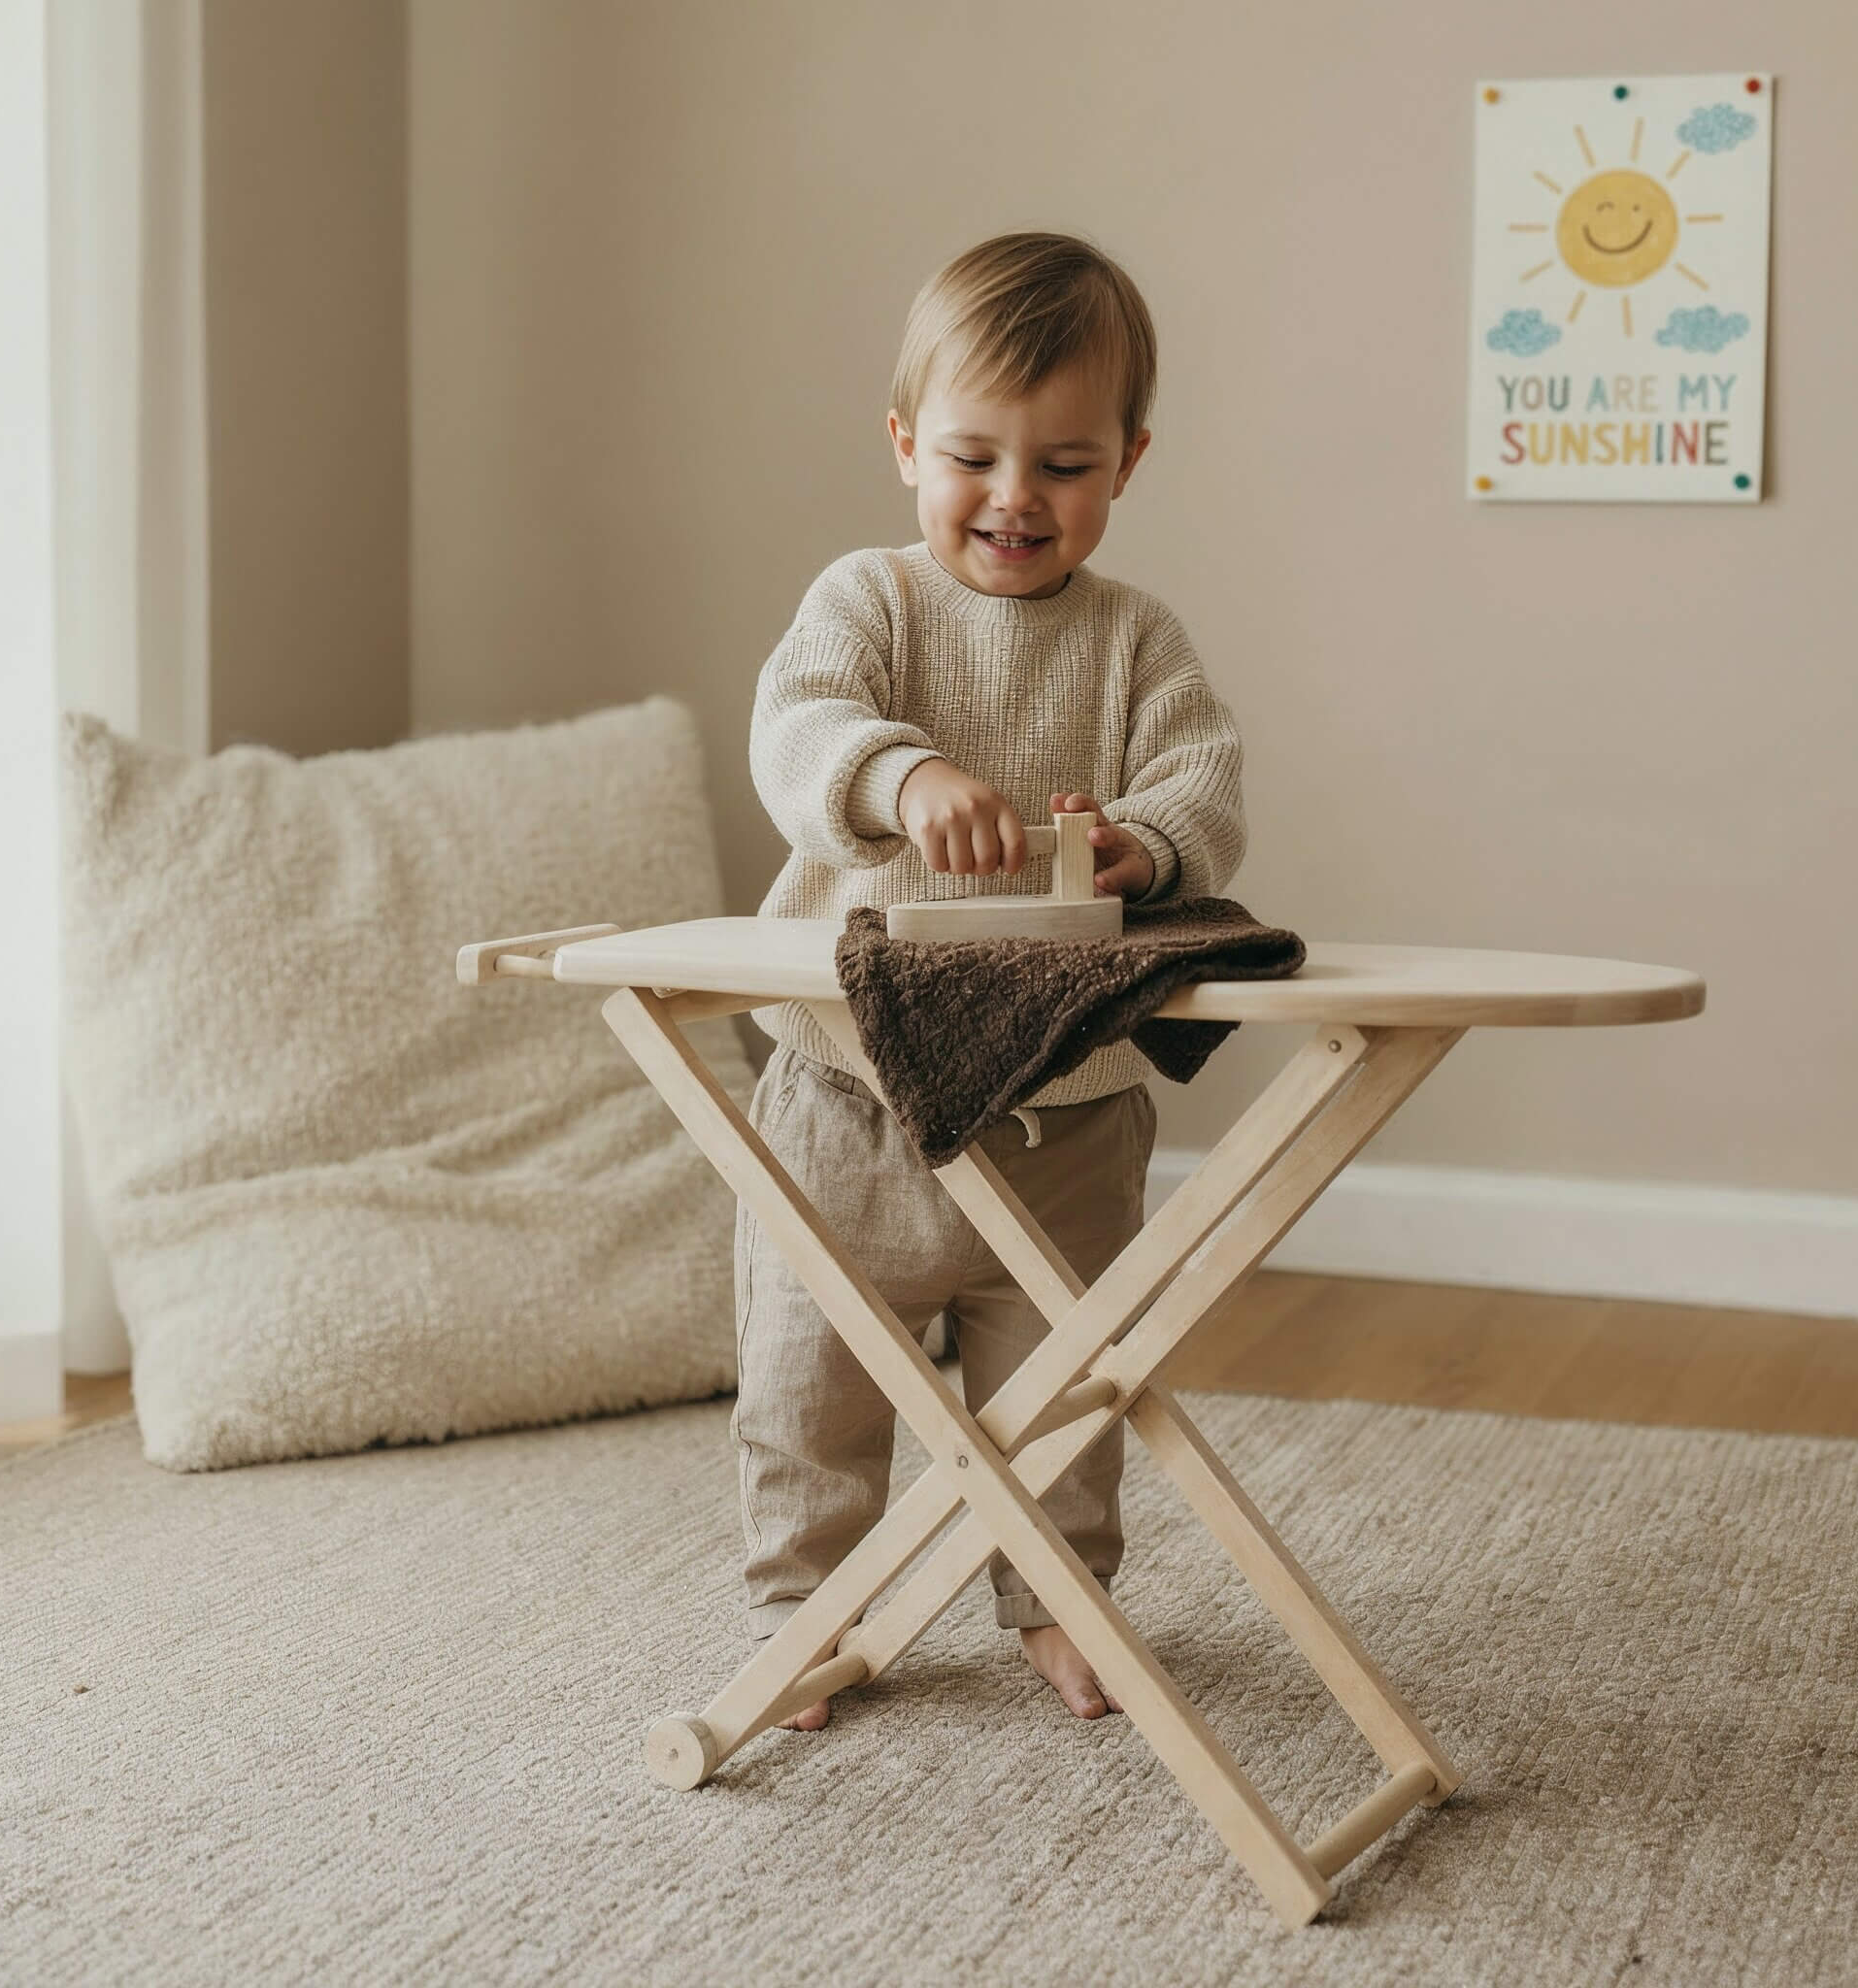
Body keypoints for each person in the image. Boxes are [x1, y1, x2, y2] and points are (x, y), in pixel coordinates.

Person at [740, 230, 1245, 1729]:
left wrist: (1146, 851)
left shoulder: (1137, 637)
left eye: (1066, 466)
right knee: (807, 1377)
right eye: (973, 457)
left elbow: (1205, 779)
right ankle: (805, 1612)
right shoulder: (869, 603)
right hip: (852, 1096)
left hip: (1065, 1108)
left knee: (1063, 1389)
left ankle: (1059, 1596)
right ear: (906, 447)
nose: (1017, 500)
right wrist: (898, 781)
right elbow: (796, 724)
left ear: (1127, 465)